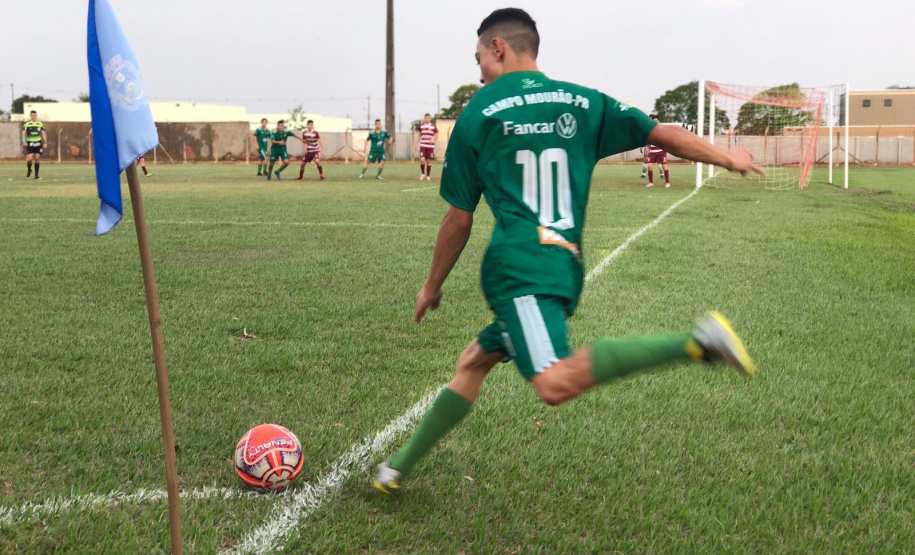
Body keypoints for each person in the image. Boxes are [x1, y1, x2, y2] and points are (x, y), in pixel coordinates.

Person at [373, 7, 763, 495]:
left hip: (520, 270)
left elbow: (459, 217)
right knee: (473, 361)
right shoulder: (585, 102)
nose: (478, 73)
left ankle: (697, 342)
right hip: (560, 262)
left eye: (479, 59)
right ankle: (398, 468)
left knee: (553, 382)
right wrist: (726, 156)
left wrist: (431, 287)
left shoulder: (478, 113)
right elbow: (660, 135)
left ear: (499, 47)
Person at [645, 114, 670, 188]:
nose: (655, 122)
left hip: (661, 151)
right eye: (653, 120)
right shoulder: (650, 129)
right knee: (649, 166)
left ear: (659, 121)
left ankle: (667, 182)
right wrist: (646, 146)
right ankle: (651, 183)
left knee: (664, 166)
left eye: (656, 120)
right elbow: (647, 138)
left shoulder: (662, 129)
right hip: (652, 150)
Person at [22, 111, 47, 180]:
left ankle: (36, 175)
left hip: (38, 143)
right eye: (32, 115)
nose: (34, 116)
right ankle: (29, 169)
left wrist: (45, 142)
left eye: (35, 115)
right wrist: (24, 141)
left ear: (36, 116)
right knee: (29, 159)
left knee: (37, 158)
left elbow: (43, 133)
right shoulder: (27, 124)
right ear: (30, 116)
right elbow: (23, 133)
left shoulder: (40, 124)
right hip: (30, 143)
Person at [413, 113, 439, 181]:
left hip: (430, 146)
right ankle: (422, 174)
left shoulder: (433, 126)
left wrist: (433, 139)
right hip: (423, 145)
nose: (427, 119)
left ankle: (428, 175)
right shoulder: (421, 126)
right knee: (422, 160)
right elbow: (419, 135)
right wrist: (416, 144)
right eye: (426, 118)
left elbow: (436, 136)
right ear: (424, 119)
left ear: (430, 119)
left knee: (429, 161)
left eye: (428, 118)